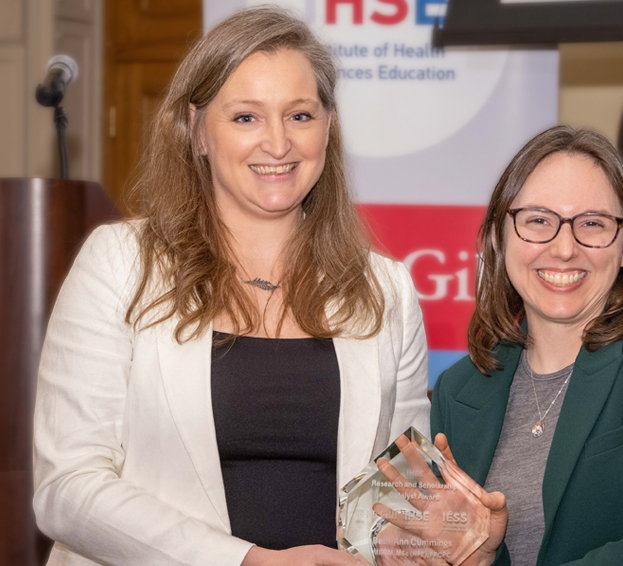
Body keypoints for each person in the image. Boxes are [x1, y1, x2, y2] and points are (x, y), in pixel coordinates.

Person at [32, 7, 429, 566]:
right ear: (196, 130)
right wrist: (245, 561)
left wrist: (458, 534)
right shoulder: (120, 264)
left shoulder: (385, 290)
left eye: (300, 116)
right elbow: (66, 488)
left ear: (329, 128)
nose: (278, 143)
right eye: (245, 117)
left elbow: (400, 496)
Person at [424, 126, 623, 565]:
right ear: (499, 237)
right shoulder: (459, 390)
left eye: (592, 224)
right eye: (538, 221)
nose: (565, 248)